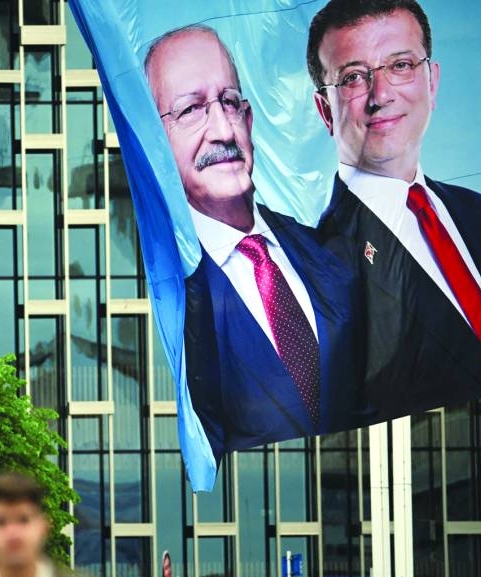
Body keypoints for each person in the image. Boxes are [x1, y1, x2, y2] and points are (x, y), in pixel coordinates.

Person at [144, 25, 364, 456]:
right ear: (157, 141)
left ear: (249, 119)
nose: (222, 130)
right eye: (191, 110)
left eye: (229, 102)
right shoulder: (175, 296)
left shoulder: (335, 258)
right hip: (249, 503)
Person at [307, 0, 481, 420]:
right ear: (326, 110)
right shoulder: (317, 262)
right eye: (353, 78)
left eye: (400, 65)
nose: (381, 95)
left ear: (431, 83)